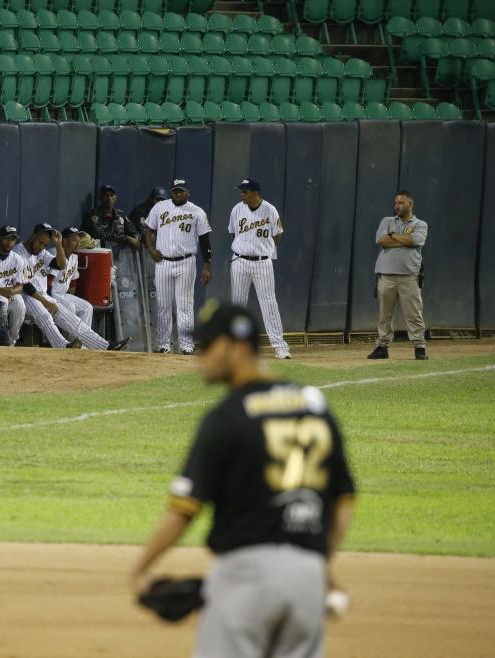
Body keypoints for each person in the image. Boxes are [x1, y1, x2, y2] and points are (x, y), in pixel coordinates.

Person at [130, 301, 356, 658]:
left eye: (208, 347)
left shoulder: (227, 416)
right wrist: (319, 564)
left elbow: (184, 509)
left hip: (246, 578)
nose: (200, 357)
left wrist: (142, 567)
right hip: (308, 579)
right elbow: (343, 499)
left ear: (236, 347)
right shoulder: (314, 407)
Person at [15, 223, 131, 351]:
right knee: (45, 316)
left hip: (42, 295)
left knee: (74, 321)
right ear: (34, 236)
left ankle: (106, 346)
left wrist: (59, 245)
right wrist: (46, 302)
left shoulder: (42, 252)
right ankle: (64, 346)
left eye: (45, 244)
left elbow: (60, 265)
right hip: (25, 295)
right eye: (40, 242)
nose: (41, 246)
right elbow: (25, 285)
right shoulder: (18, 253)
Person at [144, 178, 213, 355]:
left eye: (181, 191)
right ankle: (163, 344)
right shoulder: (160, 208)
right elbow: (149, 229)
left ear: (188, 193)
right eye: (175, 190)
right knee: (163, 305)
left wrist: (207, 265)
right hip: (163, 262)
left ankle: (186, 345)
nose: (177, 193)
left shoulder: (197, 212)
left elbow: (205, 240)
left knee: (184, 305)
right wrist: (151, 249)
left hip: (186, 261)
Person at [228, 178, 292, 360]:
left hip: (262, 262)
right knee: (238, 305)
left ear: (255, 192)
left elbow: (277, 235)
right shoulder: (237, 209)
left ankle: (280, 346)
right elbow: (233, 233)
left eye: (245, 192)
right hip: (240, 260)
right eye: (241, 191)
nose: (241, 195)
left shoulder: (270, 210)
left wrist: (265, 249)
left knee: (269, 304)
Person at [368, 191, 429, 360]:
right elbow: (381, 240)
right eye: (395, 203)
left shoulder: (420, 224)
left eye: (401, 203)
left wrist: (393, 236)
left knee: (414, 313)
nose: (397, 206)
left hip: (409, 276)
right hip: (386, 275)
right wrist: (402, 239)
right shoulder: (387, 221)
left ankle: (419, 347)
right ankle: (382, 347)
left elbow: (414, 241)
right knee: (384, 315)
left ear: (410, 204)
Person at [49, 226, 94, 327]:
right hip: (51, 293)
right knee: (70, 306)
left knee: (87, 307)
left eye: (79, 240)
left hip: (63, 294)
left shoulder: (74, 257)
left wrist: (70, 298)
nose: (78, 243)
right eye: (74, 240)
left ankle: (82, 341)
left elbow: (73, 282)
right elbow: (48, 279)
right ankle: (69, 342)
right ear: (64, 241)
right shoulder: (53, 253)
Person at [82, 184, 141, 251]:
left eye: (112, 195)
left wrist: (136, 238)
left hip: (119, 257)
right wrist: (127, 238)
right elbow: (100, 235)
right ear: (100, 198)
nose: (109, 198)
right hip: (99, 254)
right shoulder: (93, 215)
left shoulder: (120, 215)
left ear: (116, 198)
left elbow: (134, 231)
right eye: (106, 195)